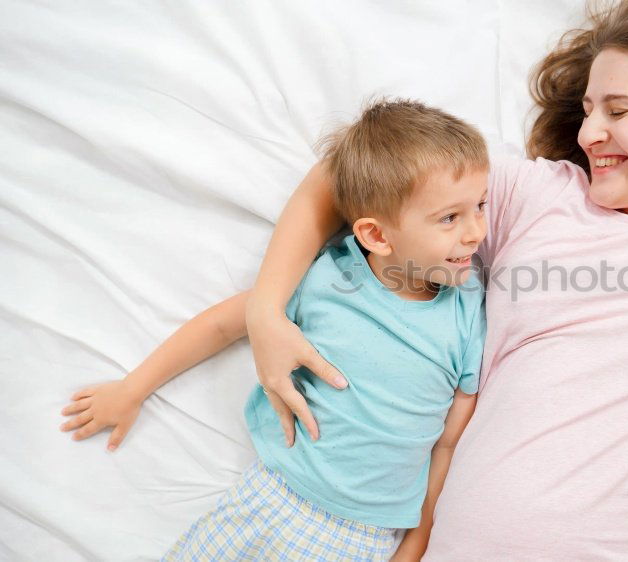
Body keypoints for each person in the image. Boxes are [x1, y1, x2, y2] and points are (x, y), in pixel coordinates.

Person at [70, 0, 628, 558]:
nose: (589, 133)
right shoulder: (539, 196)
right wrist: (267, 307)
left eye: (618, 111)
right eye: (585, 112)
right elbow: (355, 172)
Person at [60, 99, 490, 561]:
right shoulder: (328, 282)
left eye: (480, 206)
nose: (475, 232)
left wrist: (416, 544)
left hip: (367, 537)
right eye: (450, 217)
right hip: (270, 499)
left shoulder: (468, 313)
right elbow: (229, 322)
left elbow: (447, 443)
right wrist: (133, 388)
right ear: (377, 236)